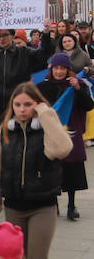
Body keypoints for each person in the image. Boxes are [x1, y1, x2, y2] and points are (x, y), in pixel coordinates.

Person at [0, 83, 71, 259]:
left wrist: (45, 114)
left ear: (37, 104)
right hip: (14, 206)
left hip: (42, 206)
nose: (22, 109)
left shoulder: (46, 130)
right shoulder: (5, 132)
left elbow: (62, 149)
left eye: (28, 104)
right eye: (17, 105)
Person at [38, 54, 94, 220]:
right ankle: (53, 204)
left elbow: (89, 105)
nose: (59, 71)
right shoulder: (43, 87)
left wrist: (78, 88)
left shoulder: (77, 85)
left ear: (68, 69)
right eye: (56, 68)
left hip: (71, 132)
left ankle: (71, 205)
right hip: (51, 133)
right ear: (52, 69)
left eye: (62, 68)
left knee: (72, 170)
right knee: (51, 169)